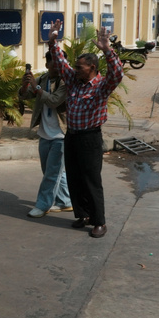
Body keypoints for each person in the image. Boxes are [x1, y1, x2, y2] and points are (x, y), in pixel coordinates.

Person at [47, 20, 123, 238]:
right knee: (74, 177)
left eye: (80, 67)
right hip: (72, 136)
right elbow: (61, 63)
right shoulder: (73, 81)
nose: (75, 69)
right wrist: (53, 41)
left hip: (90, 139)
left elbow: (117, 74)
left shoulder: (101, 86)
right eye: (76, 67)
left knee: (91, 180)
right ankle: (83, 215)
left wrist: (107, 49)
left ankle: (100, 221)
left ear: (92, 68)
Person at [19, 51, 73, 218]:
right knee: (51, 172)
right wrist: (25, 85)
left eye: (62, 63)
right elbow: (26, 95)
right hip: (44, 133)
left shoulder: (66, 82)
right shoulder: (43, 79)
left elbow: (54, 101)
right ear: (48, 64)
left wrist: (36, 87)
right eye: (56, 63)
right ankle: (65, 201)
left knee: (52, 173)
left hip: (60, 136)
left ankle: (43, 206)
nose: (60, 67)